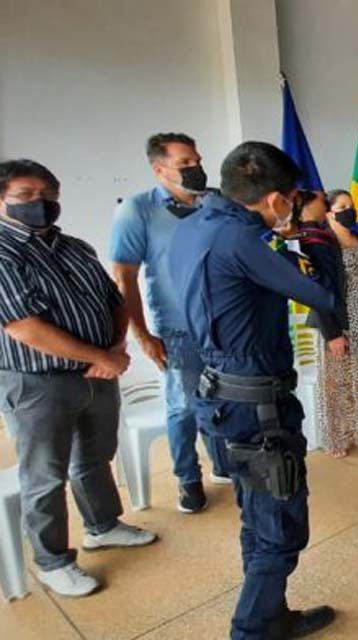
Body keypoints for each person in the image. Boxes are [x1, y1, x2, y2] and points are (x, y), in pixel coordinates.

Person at [167, 142, 337, 639]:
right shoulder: (246, 241)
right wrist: (305, 232)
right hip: (256, 406)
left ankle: (271, 614)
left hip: (222, 394)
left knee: (257, 514)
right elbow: (323, 292)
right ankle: (252, 630)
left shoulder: (195, 224)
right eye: (294, 198)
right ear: (276, 199)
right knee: (280, 528)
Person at [0, 159, 157, 598]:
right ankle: (52, 561)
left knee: (94, 456)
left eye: (48, 195)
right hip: (38, 384)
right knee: (45, 474)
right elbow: (23, 326)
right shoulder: (3, 252)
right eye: (27, 196)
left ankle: (103, 525)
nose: (41, 204)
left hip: (100, 373)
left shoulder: (75, 247)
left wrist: (116, 351)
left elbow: (116, 298)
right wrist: (97, 356)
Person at [110, 133, 230, 515]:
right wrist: (141, 335)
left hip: (221, 323)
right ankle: (188, 478)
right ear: (159, 169)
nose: (196, 168)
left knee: (221, 397)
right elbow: (124, 278)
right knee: (181, 405)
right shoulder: (137, 210)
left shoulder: (215, 202)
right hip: (177, 329)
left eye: (197, 160)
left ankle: (223, 463)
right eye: (185, 164)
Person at [298, 190, 358, 458]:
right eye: (341, 206)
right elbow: (317, 292)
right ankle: (337, 438)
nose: (349, 210)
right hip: (341, 323)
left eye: (351, 205)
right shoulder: (320, 244)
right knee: (337, 382)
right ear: (328, 212)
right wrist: (333, 334)